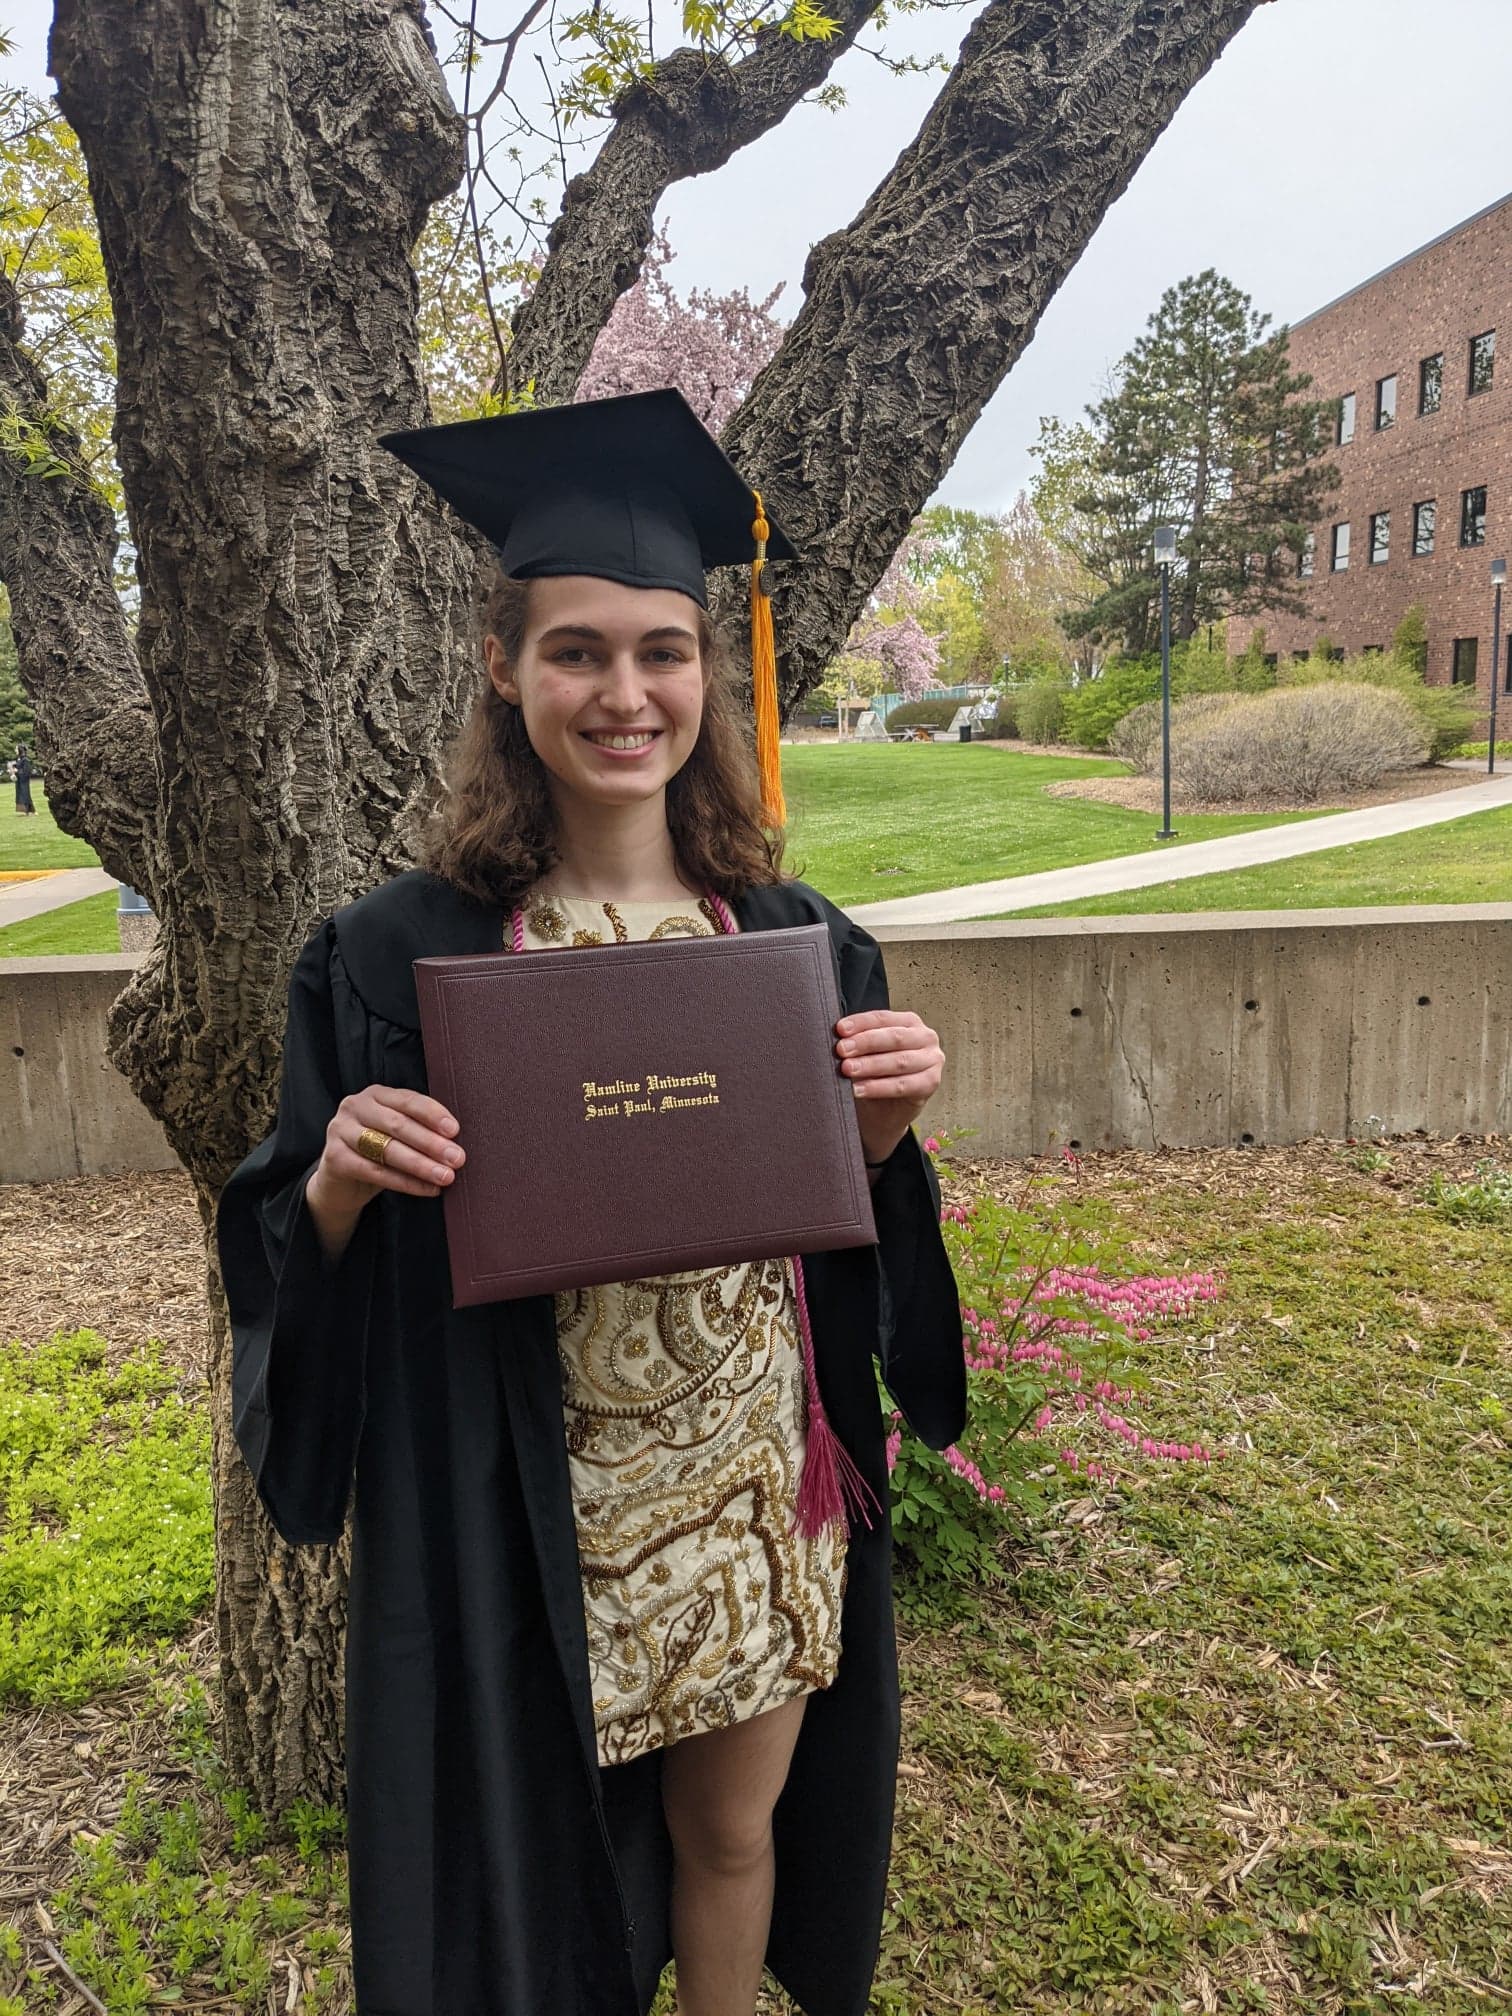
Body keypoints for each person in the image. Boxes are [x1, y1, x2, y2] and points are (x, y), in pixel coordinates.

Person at [216, 388, 967, 2016]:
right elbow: (282, 1240)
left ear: (706, 672)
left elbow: (849, 1242)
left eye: (659, 650)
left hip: (750, 1472)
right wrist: (342, 1179)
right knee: (525, 1874)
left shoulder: (797, 941)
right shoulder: (385, 959)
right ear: (504, 665)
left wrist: (887, 1138)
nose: (622, 692)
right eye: (576, 651)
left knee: (731, 1831)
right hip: (522, 1505)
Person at [13, 743, 34, 814]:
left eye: (16, 749)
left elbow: (26, 771)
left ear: (20, 750)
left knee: (25, 794)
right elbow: (17, 767)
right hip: (19, 780)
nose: (15, 750)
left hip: (24, 780)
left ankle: (30, 811)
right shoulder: (19, 759)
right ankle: (26, 811)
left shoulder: (25, 759)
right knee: (20, 794)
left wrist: (17, 771)